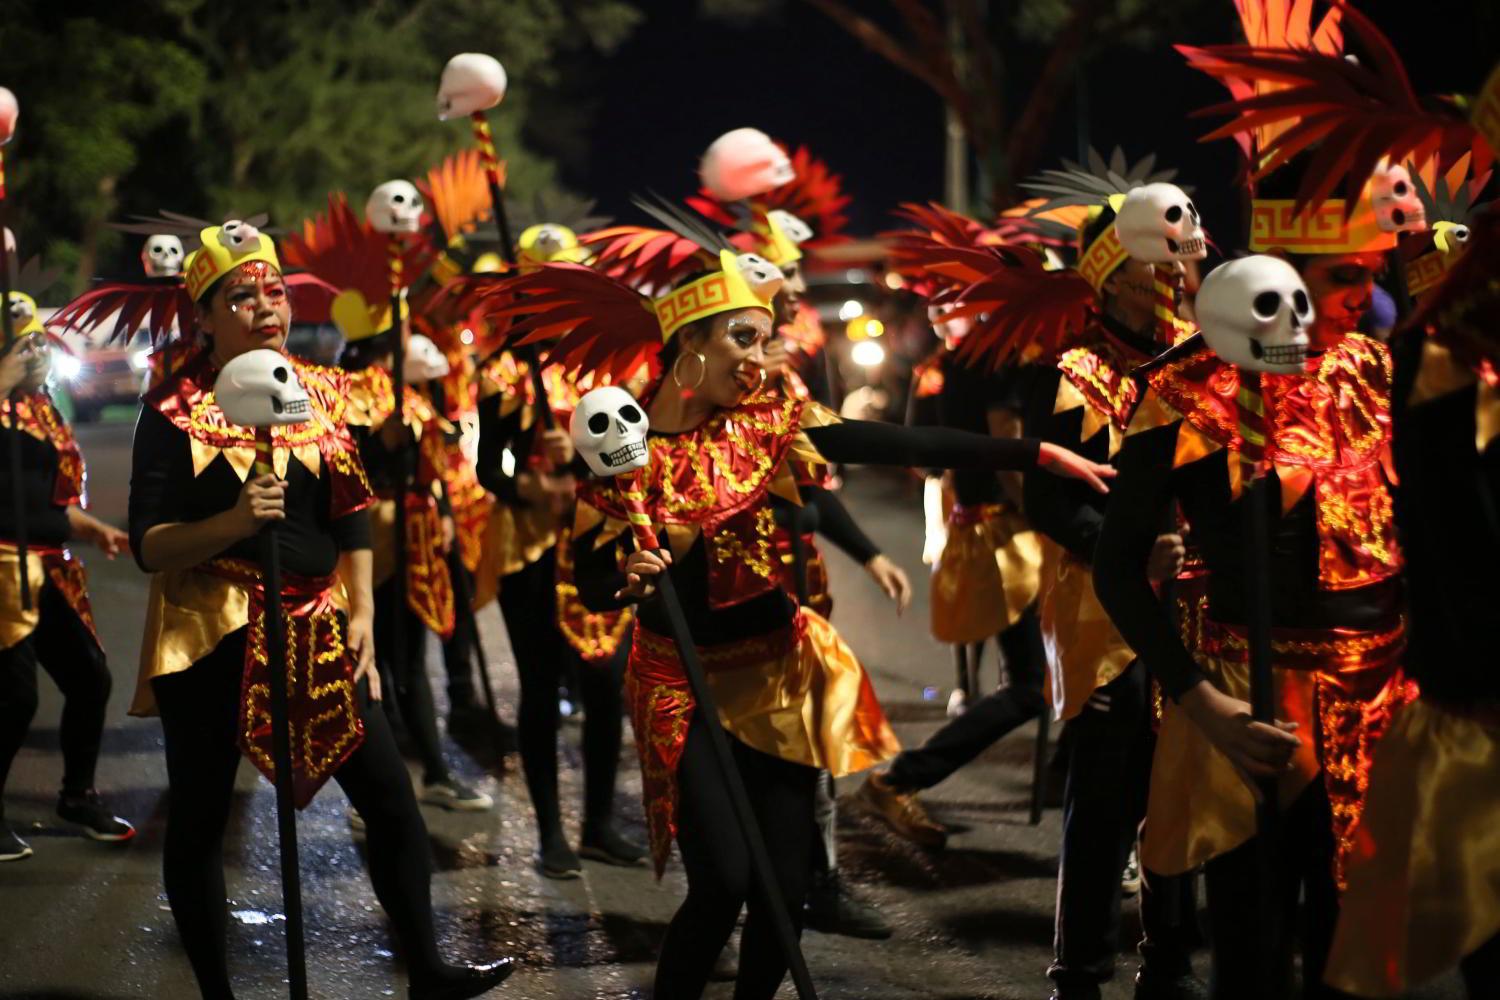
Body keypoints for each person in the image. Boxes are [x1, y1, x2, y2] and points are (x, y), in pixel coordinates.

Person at [481, 212, 1114, 1000]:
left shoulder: (772, 423)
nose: (762, 355)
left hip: (780, 674)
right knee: (723, 883)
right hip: (685, 682)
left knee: (783, 890)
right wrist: (636, 569)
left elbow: (892, 445)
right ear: (691, 349)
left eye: (763, 336)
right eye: (743, 340)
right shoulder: (625, 449)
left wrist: (1037, 452)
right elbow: (594, 578)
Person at [121, 222, 512, 1000]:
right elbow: (150, 546)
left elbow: (351, 511)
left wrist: (361, 608)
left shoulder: (323, 392)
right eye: (241, 296)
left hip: (318, 625)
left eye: (274, 291)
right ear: (202, 316)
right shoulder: (169, 411)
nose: (266, 306)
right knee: (199, 819)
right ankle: (218, 994)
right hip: (214, 632)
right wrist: (234, 522)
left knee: (392, 801)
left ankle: (426, 968)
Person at [279, 192, 492, 813]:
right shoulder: (350, 392)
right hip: (371, 541)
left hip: (414, 530)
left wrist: (444, 512)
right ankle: (400, 776)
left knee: (407, 654)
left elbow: (433, 458)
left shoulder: (401, 384)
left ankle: (416, 766)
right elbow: (349, 468)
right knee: (382, 659)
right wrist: (383, 439)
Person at [0, 308, 134, 861]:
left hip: (51, 564)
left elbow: (51, 501)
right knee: (14, 698)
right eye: (20, 345)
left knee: (90, 679)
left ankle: (76, 796)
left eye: (40, 342)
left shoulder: (44, 409)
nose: (35, 353)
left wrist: (91, 527)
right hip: (2, 568)